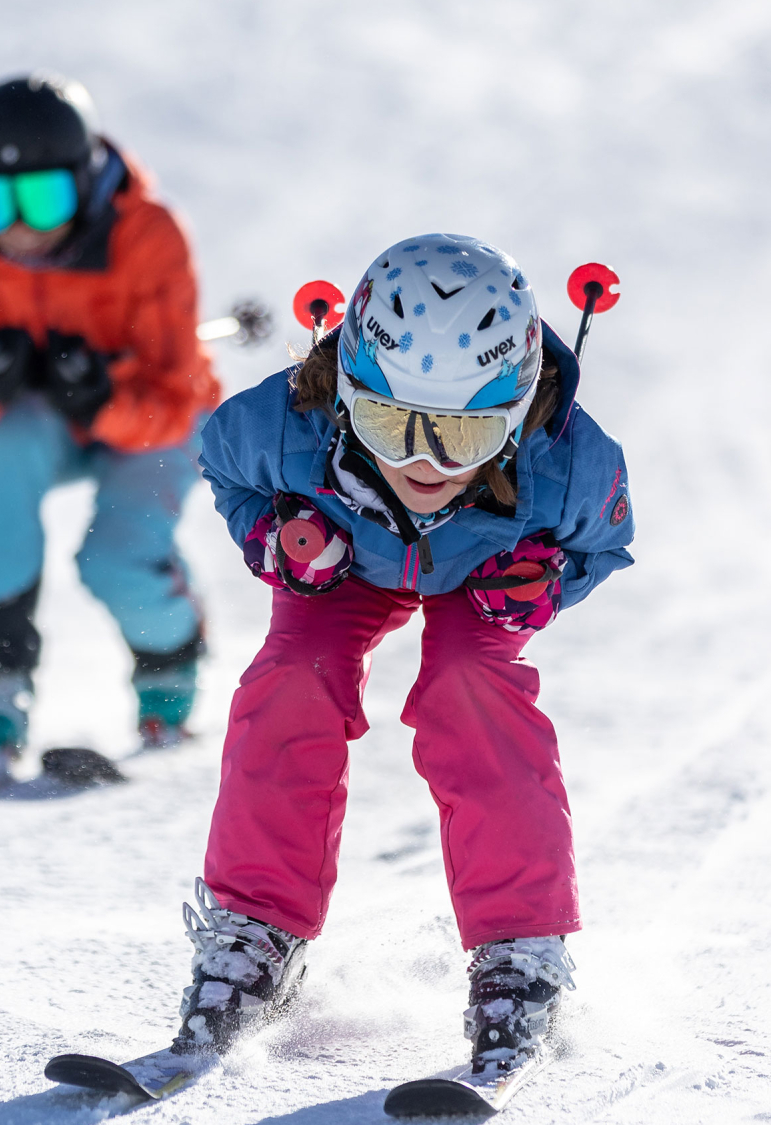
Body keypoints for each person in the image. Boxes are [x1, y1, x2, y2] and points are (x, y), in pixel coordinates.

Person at [174, 235, 635, 1075]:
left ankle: (520, 953)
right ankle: (256, 931)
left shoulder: (569, 462)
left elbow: (602, 542)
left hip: (482, 574)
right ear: (348, 392)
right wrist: (275, 535)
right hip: (344, 558)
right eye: (390, 424)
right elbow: (225, 467)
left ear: (516, 412)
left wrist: (545, 582)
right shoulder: (284, 423)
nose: (423, 461)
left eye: (464, 435)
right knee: (295, 675)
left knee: (471, 683)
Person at [0, 74, 221, 795]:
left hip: (151, 419)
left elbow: (175, 404)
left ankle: (170, 665)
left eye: (43, 198)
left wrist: (103, 397)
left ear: (85, 180)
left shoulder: (149, 234)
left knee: (117, 556)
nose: (20, 227)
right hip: (38, 422)